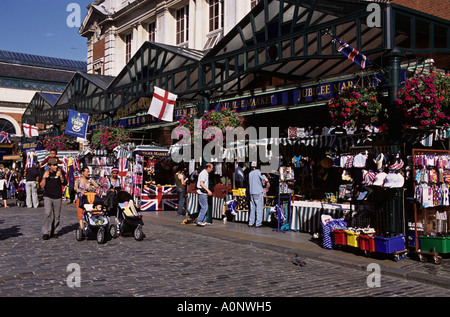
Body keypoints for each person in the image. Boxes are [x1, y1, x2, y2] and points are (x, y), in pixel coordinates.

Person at [40, 158, 67, 240]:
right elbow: (41, 186)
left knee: (57, 216)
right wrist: (44, 178)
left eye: (56, 165)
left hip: (57, 196)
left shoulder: (60, 172)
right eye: (54, 165)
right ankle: (46, 232)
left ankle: (54, 231)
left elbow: (64, 183)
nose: (55, 167)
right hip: (48, 196)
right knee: (48, 214)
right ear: (49, 166)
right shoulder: (45, 173)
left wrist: (61, 176)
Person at [248, 162, 268, 228]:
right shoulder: (259, 172)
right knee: (259, 208)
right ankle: (258, 223)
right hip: (258, 192)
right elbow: (266, 179)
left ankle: (251, 222)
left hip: (251, 192)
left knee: (252, 207)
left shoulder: (250, 173)